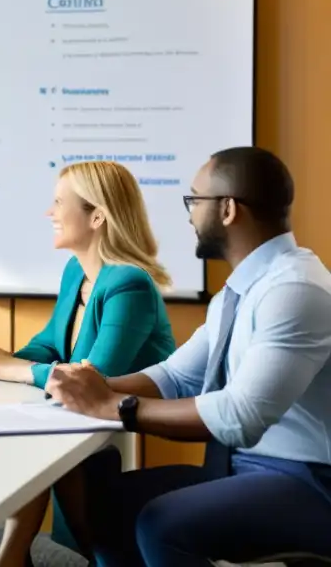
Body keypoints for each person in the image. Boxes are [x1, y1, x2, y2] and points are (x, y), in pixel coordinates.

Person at [46, 146, 331, 566]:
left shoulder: (294, 290)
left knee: (163, 524)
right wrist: (88, 386)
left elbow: (239, 416)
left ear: (228, 209)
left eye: (194, 201)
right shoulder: (241, 290)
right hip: (244, 467)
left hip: (305, 480)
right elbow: (175, 377)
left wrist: (115, 406)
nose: (190, 215)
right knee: (103, 504)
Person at [0, 160, 176, 567]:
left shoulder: (129, 284)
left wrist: (10, 369)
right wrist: (0, 360)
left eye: (58, 202)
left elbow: (91, 378)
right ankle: (20, 555)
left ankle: (19, 556)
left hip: (136, 412)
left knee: (39, 446)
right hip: (86, 416)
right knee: (30, 440)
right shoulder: (77, 272)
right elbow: (51, 343)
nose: (50, 213)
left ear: (97, 216)